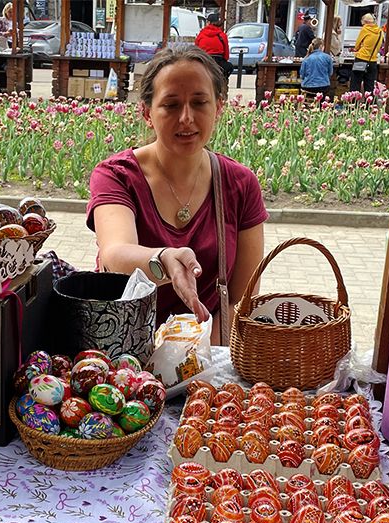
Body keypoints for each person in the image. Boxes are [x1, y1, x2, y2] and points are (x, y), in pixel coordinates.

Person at [87, 44, 267, 344]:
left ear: (218, 108)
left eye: (199, 102)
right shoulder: (117, 176)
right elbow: (115, 254)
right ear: (147, 113)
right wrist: (164, 260)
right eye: (171, 105)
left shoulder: (240, 184)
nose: (186, 118)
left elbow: (240, 300)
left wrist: (192, 357)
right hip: (123, 351)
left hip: (205, 352)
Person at [350, 13, 383, 94]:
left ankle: (353, 101)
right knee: (369, 86)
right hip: (373, 61)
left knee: (355, 83)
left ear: (365, 22)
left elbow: (357, 45)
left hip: (361, 59)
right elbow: (379, 46)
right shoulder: (380, 32)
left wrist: (358, 48)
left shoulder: (365, 29)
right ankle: (369, 101)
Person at [194, 13, 232, 77]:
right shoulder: (222, 35)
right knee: (229, 67)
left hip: (204, 61)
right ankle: (223, 80)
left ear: (208, 22)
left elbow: (196, 49)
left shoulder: (201, 34)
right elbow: (226, 55)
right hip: (219, 62)